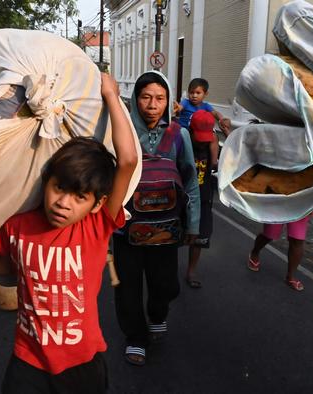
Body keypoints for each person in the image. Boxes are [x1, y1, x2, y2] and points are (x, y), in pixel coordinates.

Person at [0, 73, 137, 394]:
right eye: (59, 188)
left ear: (96, 204)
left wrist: (111, 96)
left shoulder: (97, 225)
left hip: (82, 362)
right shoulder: (18, 225)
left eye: (79, 197)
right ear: (46, 181)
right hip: (28, 359)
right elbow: (6, 268)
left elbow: (128, 160)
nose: (63, 203)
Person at [113, 71, 200, 366]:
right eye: (146, 97)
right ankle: (136, 337)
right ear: (136, 99)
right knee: (127, 287)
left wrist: (194, 223)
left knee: (165, 285)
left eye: (160, 98)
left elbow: (190, 181)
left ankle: (158, 311)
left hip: (167, 229)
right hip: (126, 229)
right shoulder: (120, 133)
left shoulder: (180, 135)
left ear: (168, 100)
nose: (153, 105)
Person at [184, 110, 218, 288]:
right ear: (190, 130)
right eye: (199, 136)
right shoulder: (182, 140)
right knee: (175, 236)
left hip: (204, 198)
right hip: (182, 198)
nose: (202, 141)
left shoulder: (211, 143)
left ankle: (191, 271)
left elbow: (217, 163)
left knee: (200, 237)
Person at [247, 216, 309, 291]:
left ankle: (290, 276)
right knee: (269, 234)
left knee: (297, 239)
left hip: (301, 207)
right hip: (278, 206)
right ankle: (255, 252)